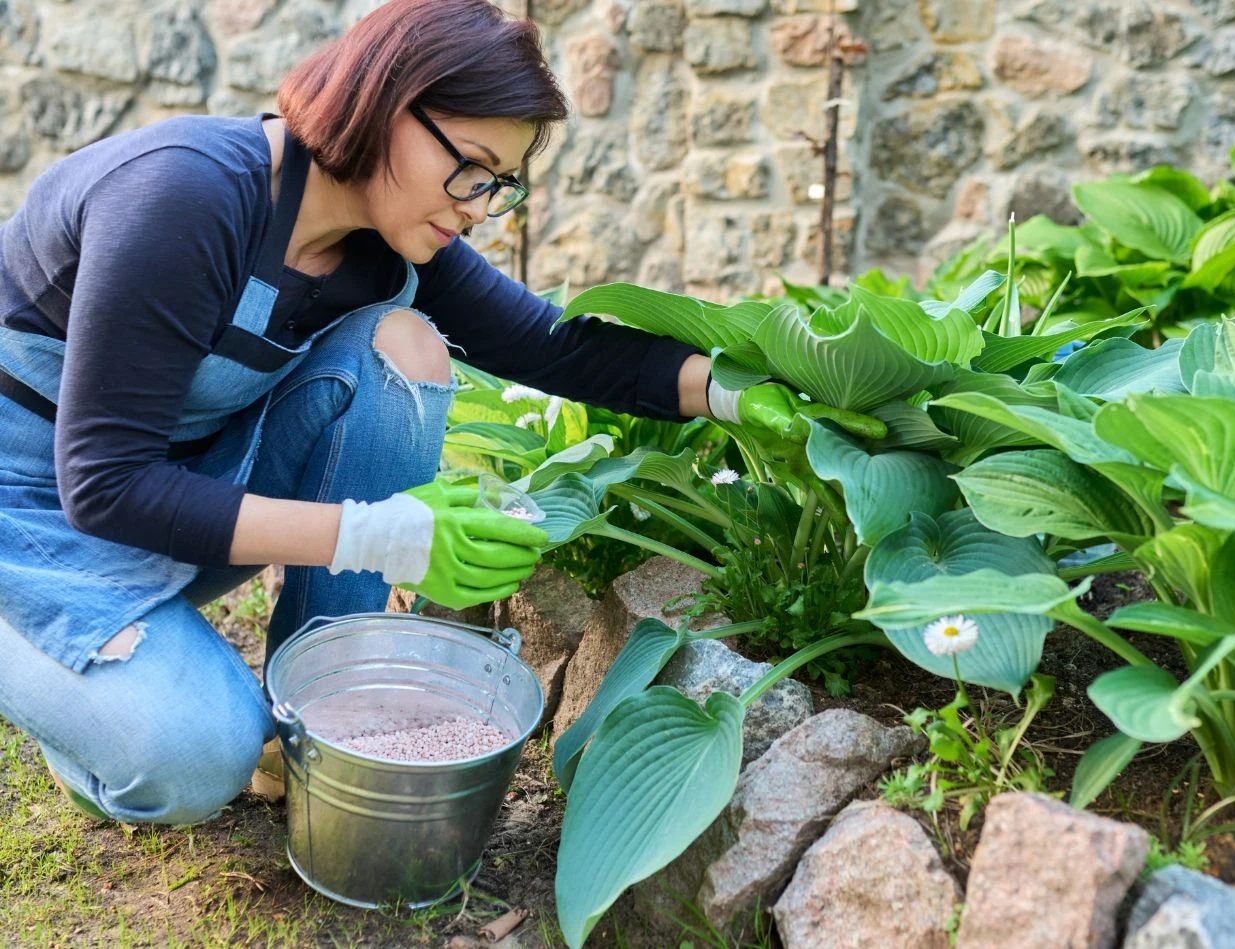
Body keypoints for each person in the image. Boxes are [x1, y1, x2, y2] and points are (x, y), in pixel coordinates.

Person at [0, 0, 868, 826]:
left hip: (160, 508)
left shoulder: (384, 237)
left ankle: (322, 715)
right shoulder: (186, 199)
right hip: (30, 522)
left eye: (501, 184)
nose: (478, 204)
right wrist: (381, 536)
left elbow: (554, 347)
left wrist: (732, 389)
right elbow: (106, 484)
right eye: (471, 167)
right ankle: (94, 719)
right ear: (386, 107)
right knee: (197, 755)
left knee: (401, 344)